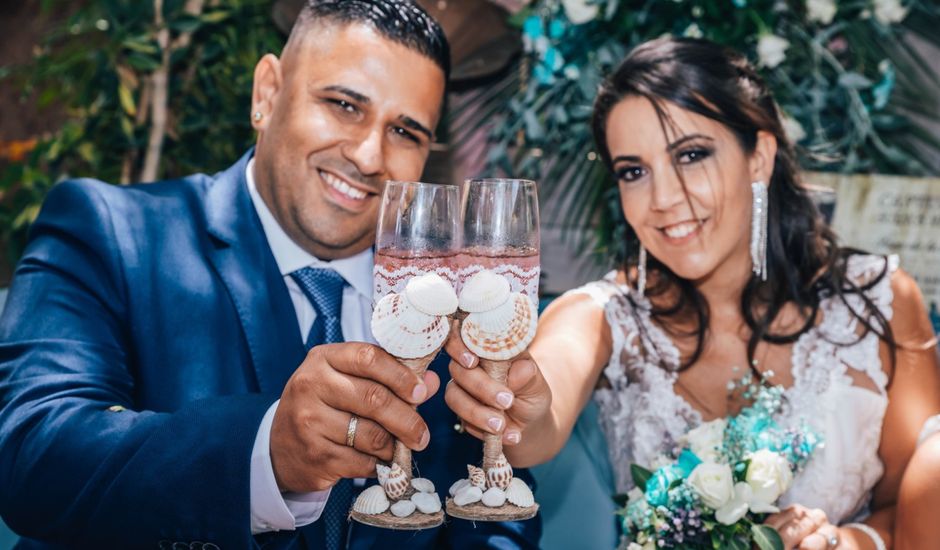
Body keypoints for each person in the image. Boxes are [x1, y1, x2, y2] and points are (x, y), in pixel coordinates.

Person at [0, 1, 540, 548]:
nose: (371, 155)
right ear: (267, 93)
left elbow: (497, 514)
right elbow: (33, 454)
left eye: (405, 131)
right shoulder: (110, 232)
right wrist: (264, 456)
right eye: (345, 105)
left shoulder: (447, 296)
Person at [444, 37, 940, 548]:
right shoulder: (603, 317)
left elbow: (911, 511)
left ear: (759, 157)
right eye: (633, 171)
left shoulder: (880, 299)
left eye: (692, 155)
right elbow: (536, 421)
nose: (662, 199)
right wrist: (513, 403)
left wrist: (840, 542)